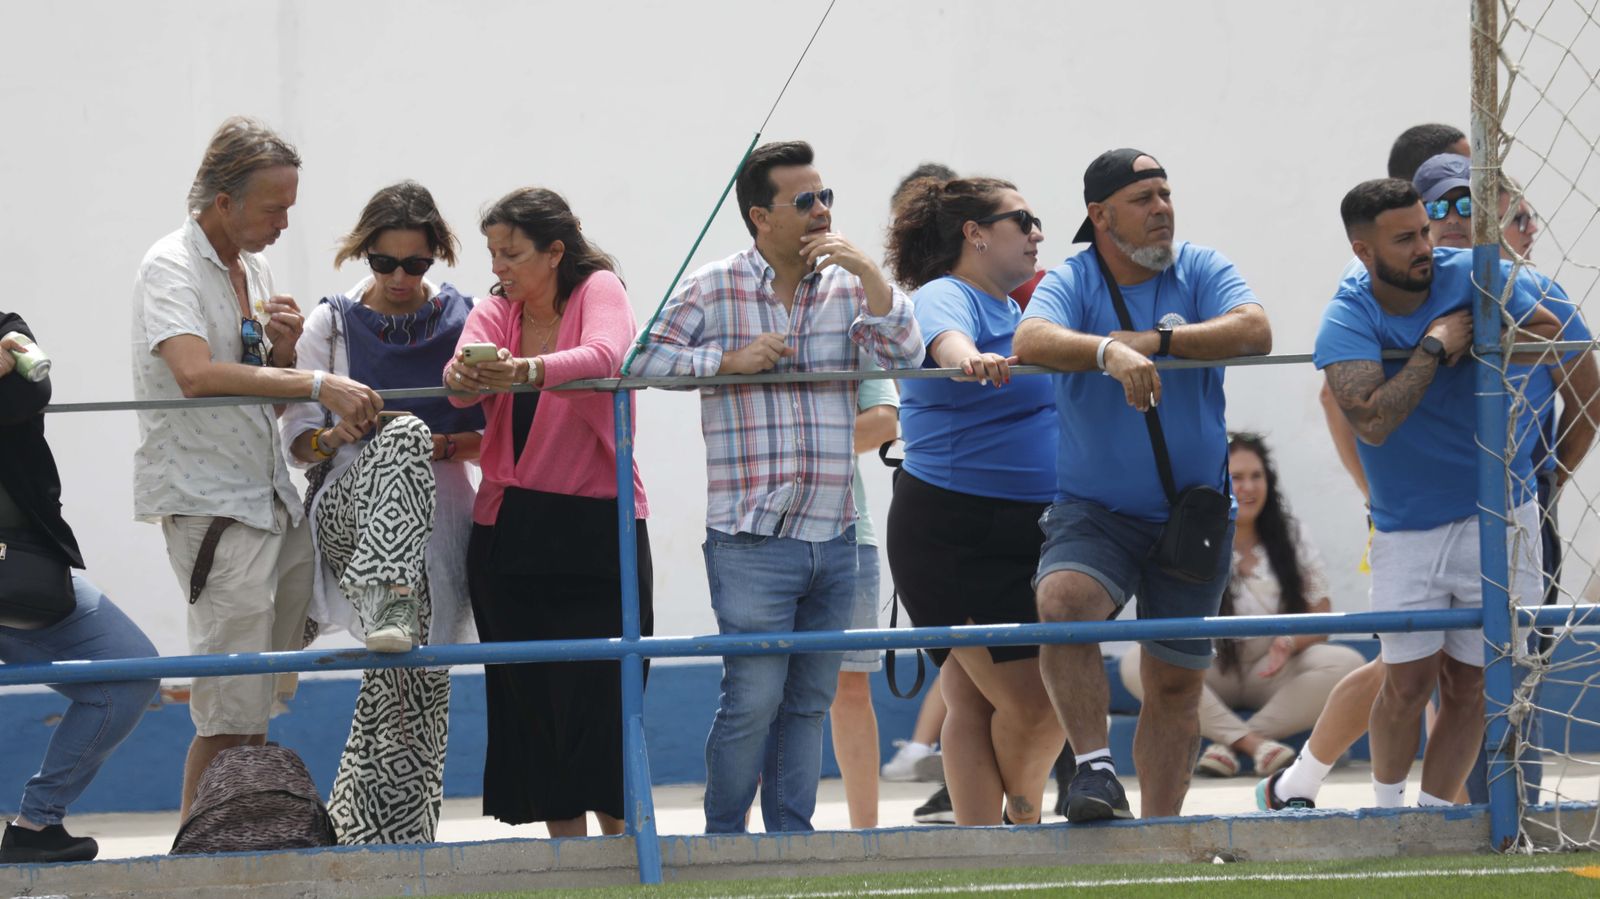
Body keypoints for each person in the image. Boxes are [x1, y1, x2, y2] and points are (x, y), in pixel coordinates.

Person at [1262, 158, 1597, 811]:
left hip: (1502, 516)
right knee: (1405, 682)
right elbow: (1371, 420)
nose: (1427, 244)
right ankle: (1386, 812)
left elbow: (1553, 339)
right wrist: (1436, 347)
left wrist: (1492, 337)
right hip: (1406, 527)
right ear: (1364, 251)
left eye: (1426, 228)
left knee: (1473, 686)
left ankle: (1433, 819)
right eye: (1408, 236)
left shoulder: (1473, 272)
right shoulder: (1348, 313)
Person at [632, 140, 923, 833]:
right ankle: (725, 837)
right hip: (750, 536)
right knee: (752, 700)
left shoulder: (850, 287)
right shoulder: (715, 285)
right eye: (805, 200)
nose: (822, 210)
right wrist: (726, 361)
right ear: (760, 216)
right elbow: (640, 360)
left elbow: (908, 354)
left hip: (837, 531)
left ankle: (792, 836)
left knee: (810, 700)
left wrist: (872, 275)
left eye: (826, 197)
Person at [130, 116, 382, 819]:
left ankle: (233, 838)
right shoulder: (170, 266)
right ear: (224, 202)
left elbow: (256, 396)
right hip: (210, 504)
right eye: (274, 208)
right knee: (227, 708)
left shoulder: (254, 268)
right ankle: (198, 852)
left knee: (256, 699)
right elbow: (194, 374)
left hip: (268, 498)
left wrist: (282, 349)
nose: (284, 223)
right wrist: (313, 381)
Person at [1014, 148, 1272, 821]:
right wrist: (1107, 350)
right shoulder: (1073, 277)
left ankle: (1160, 834)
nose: (1162, 209)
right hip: (1096, 511)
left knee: (1176, 685)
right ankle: (1095, 772)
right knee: (1063, 601)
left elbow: (1255, 330)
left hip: (1195, 515)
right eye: (1143, 199)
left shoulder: (1201, 266)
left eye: (1165, 194)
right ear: (1100, 216)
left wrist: (1155, 342)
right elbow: (1031, 338)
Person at [444, 187, 650, 839]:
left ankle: (626, 858)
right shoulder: (494, 309)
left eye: (512, 253)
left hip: (597, 528)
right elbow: (458, 378)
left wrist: (527, 371)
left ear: (555, 250)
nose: (498, 267)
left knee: (605, 700)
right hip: (507, 531)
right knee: (531, 706)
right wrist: (465, 377)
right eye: (493, 253)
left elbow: (606, 356)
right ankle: (571, 866)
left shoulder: (599, 289)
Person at [281, 181, 483, 843]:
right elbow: (299, 443)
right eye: (385, 262)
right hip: (353, 516)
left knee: (414, 685)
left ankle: (386, 833)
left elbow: (499, 437)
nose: (400, 278)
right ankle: (388, 594)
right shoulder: (333, 324)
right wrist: (337, 435)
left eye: (415, 263)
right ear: (364, 253)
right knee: (400, 432)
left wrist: (441, 445)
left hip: (441, 523)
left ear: (436, 257)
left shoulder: (467, 320)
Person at [884, 175, 1065, 825]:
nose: (1038, 232)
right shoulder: (946, 294)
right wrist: (972, 360)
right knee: (1040, 707)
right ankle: (1022, 822)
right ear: (976, 234)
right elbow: (945, 339)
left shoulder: (1016, 309)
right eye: (1023, 219)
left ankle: (982, 845)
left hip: (1028, 527)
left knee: (972, 699)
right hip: (957, 530)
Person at [0, 316, 160, 864]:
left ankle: (36, 824)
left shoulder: (7, 326)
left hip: (27, 566)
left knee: (132, 670)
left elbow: (31, 391)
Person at [1119, 434, 1363, 778]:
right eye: (1236, 477)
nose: (1248, 487)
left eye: (1256, 476)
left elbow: (1321, 613)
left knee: (1348, 664)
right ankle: (1254, 745)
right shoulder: (1194, 534)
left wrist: (1289, 642)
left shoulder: (1292, 533)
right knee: (1136, 662)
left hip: (1273, 665)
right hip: (1211, 663)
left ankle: (1235, 743)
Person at [827, 366, 899, 829]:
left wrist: (800, 440)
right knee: (761, 692)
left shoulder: (855, 329)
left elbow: (884, 422)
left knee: (851, 689)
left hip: (848, 529)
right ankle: (745, 838)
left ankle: (866, 838)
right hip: (760, 536)